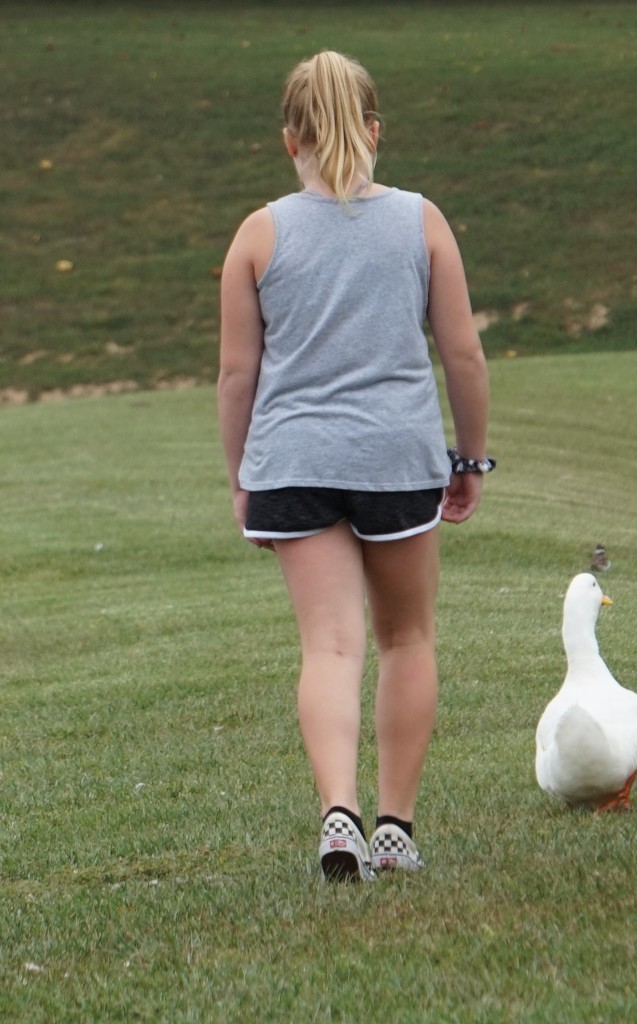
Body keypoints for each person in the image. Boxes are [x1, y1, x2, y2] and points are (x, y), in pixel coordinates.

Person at [218, 50, 491, 882]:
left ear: (288, 139)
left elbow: (238, 377)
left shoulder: (258, 234)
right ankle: (393, 829)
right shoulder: (421, 221)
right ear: (376, 130)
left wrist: (242, 477)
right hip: (397, 459)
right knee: (405, 638)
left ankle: (337, 814)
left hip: (293, 463)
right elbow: (464, 355)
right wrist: (470, 457)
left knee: (329, 649)